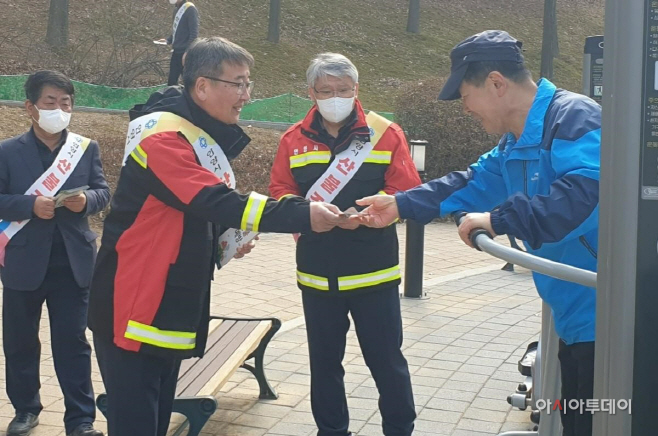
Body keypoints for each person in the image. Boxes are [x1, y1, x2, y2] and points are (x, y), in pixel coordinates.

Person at [87, 37, 346, 436]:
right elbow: (212, 199)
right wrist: (302, 213)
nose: (246, 96)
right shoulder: (162, 139)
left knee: (155, 421)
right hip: (135, 303)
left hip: (164, 303)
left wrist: (223, 241)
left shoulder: (191, 133)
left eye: (248, 84)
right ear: (202, 86)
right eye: (238, 84)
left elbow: (187, 214)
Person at [355, 30, 600, 436]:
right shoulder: (516, 142)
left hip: (607, 312)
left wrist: (499, 220)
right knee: (577, 416)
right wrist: (398, 204)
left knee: (600, 416)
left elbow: (587, 197)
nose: (465, 109)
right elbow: (472, 180)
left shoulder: (574, 118)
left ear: (496, 84)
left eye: (466, 96)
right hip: (572, 313)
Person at [269, 53, 421, 436]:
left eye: (343, 90)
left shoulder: (385, 133)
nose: (335, 97)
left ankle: (400, 428)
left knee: (386, 361)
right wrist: (306, 212)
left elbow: (407, 190)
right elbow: (280, 192)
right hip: (318, 274)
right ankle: (332, 430)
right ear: (311, 93)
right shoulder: (293, 139)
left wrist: (371, 212)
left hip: (375, 270)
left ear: (357, 90)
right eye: (326, 91)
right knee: (323, 363)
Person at [0, 71, 110, 436]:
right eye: (51, 102)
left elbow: (103, 192)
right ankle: (25, 410)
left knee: (73, 343)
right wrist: (28, 206)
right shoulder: (7, 151)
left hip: (72, 261)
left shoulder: (84, 147)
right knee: (19, 342)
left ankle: (80, 419)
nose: (59, 109)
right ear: (30, 107)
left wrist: (85, 202)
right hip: (22, 261)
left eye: (66, 103)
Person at [155, 0, 199, 86]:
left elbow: (194, 35)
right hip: (176, 52)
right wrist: (168, 40)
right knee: (171, 82)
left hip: (185, 54)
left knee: (188, 84)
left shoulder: (190, 9)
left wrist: (187, 52)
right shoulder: (176, 9)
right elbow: (177, 31)